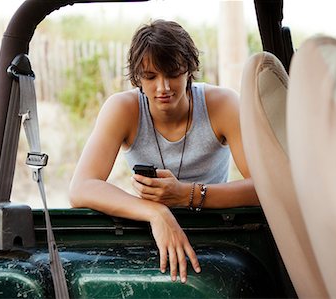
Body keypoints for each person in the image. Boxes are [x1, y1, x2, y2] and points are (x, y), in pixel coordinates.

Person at [69, 19, 259, 284]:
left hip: (216, 230)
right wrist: (155, 212)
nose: (163, 87)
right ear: (137, 78)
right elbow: (81, 188)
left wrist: (187, 195)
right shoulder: (123, 109)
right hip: (150, 232)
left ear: (189, 70)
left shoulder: (222, 105)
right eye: (151, 77)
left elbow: (264, 189)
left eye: (172, 73)